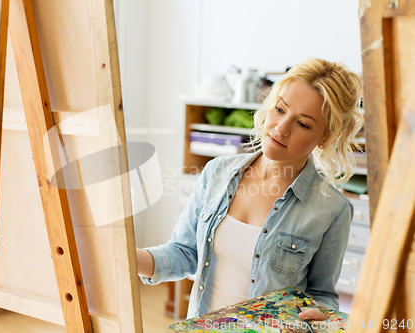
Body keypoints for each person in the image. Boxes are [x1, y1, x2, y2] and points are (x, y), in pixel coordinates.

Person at [136, 58, 363, 321]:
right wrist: (128, 256)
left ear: (326, 137)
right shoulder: (217, 172)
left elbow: (322, 295)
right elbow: (184, 253)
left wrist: (322, 316)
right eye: (280, 109)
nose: (280, 128)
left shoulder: (332, 210)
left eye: (302, 124)